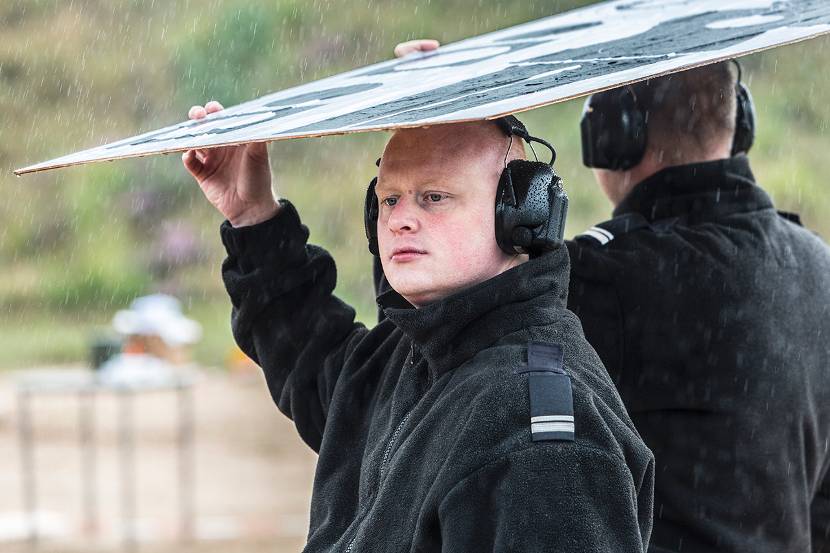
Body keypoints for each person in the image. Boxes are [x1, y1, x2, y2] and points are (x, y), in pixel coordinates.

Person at [393, 41, 830, 552]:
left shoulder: (608, 276)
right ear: (741, 121)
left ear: (614, 133)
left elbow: (429, 351)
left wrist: (428, 132)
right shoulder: (818, 265)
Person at [182, 98, 655, 549]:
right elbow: (315, 364)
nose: (399, 220)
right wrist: (254, 217)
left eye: (434, 197)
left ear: (521, 214)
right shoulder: (416, 353)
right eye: (389, 199)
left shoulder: (539, 436)